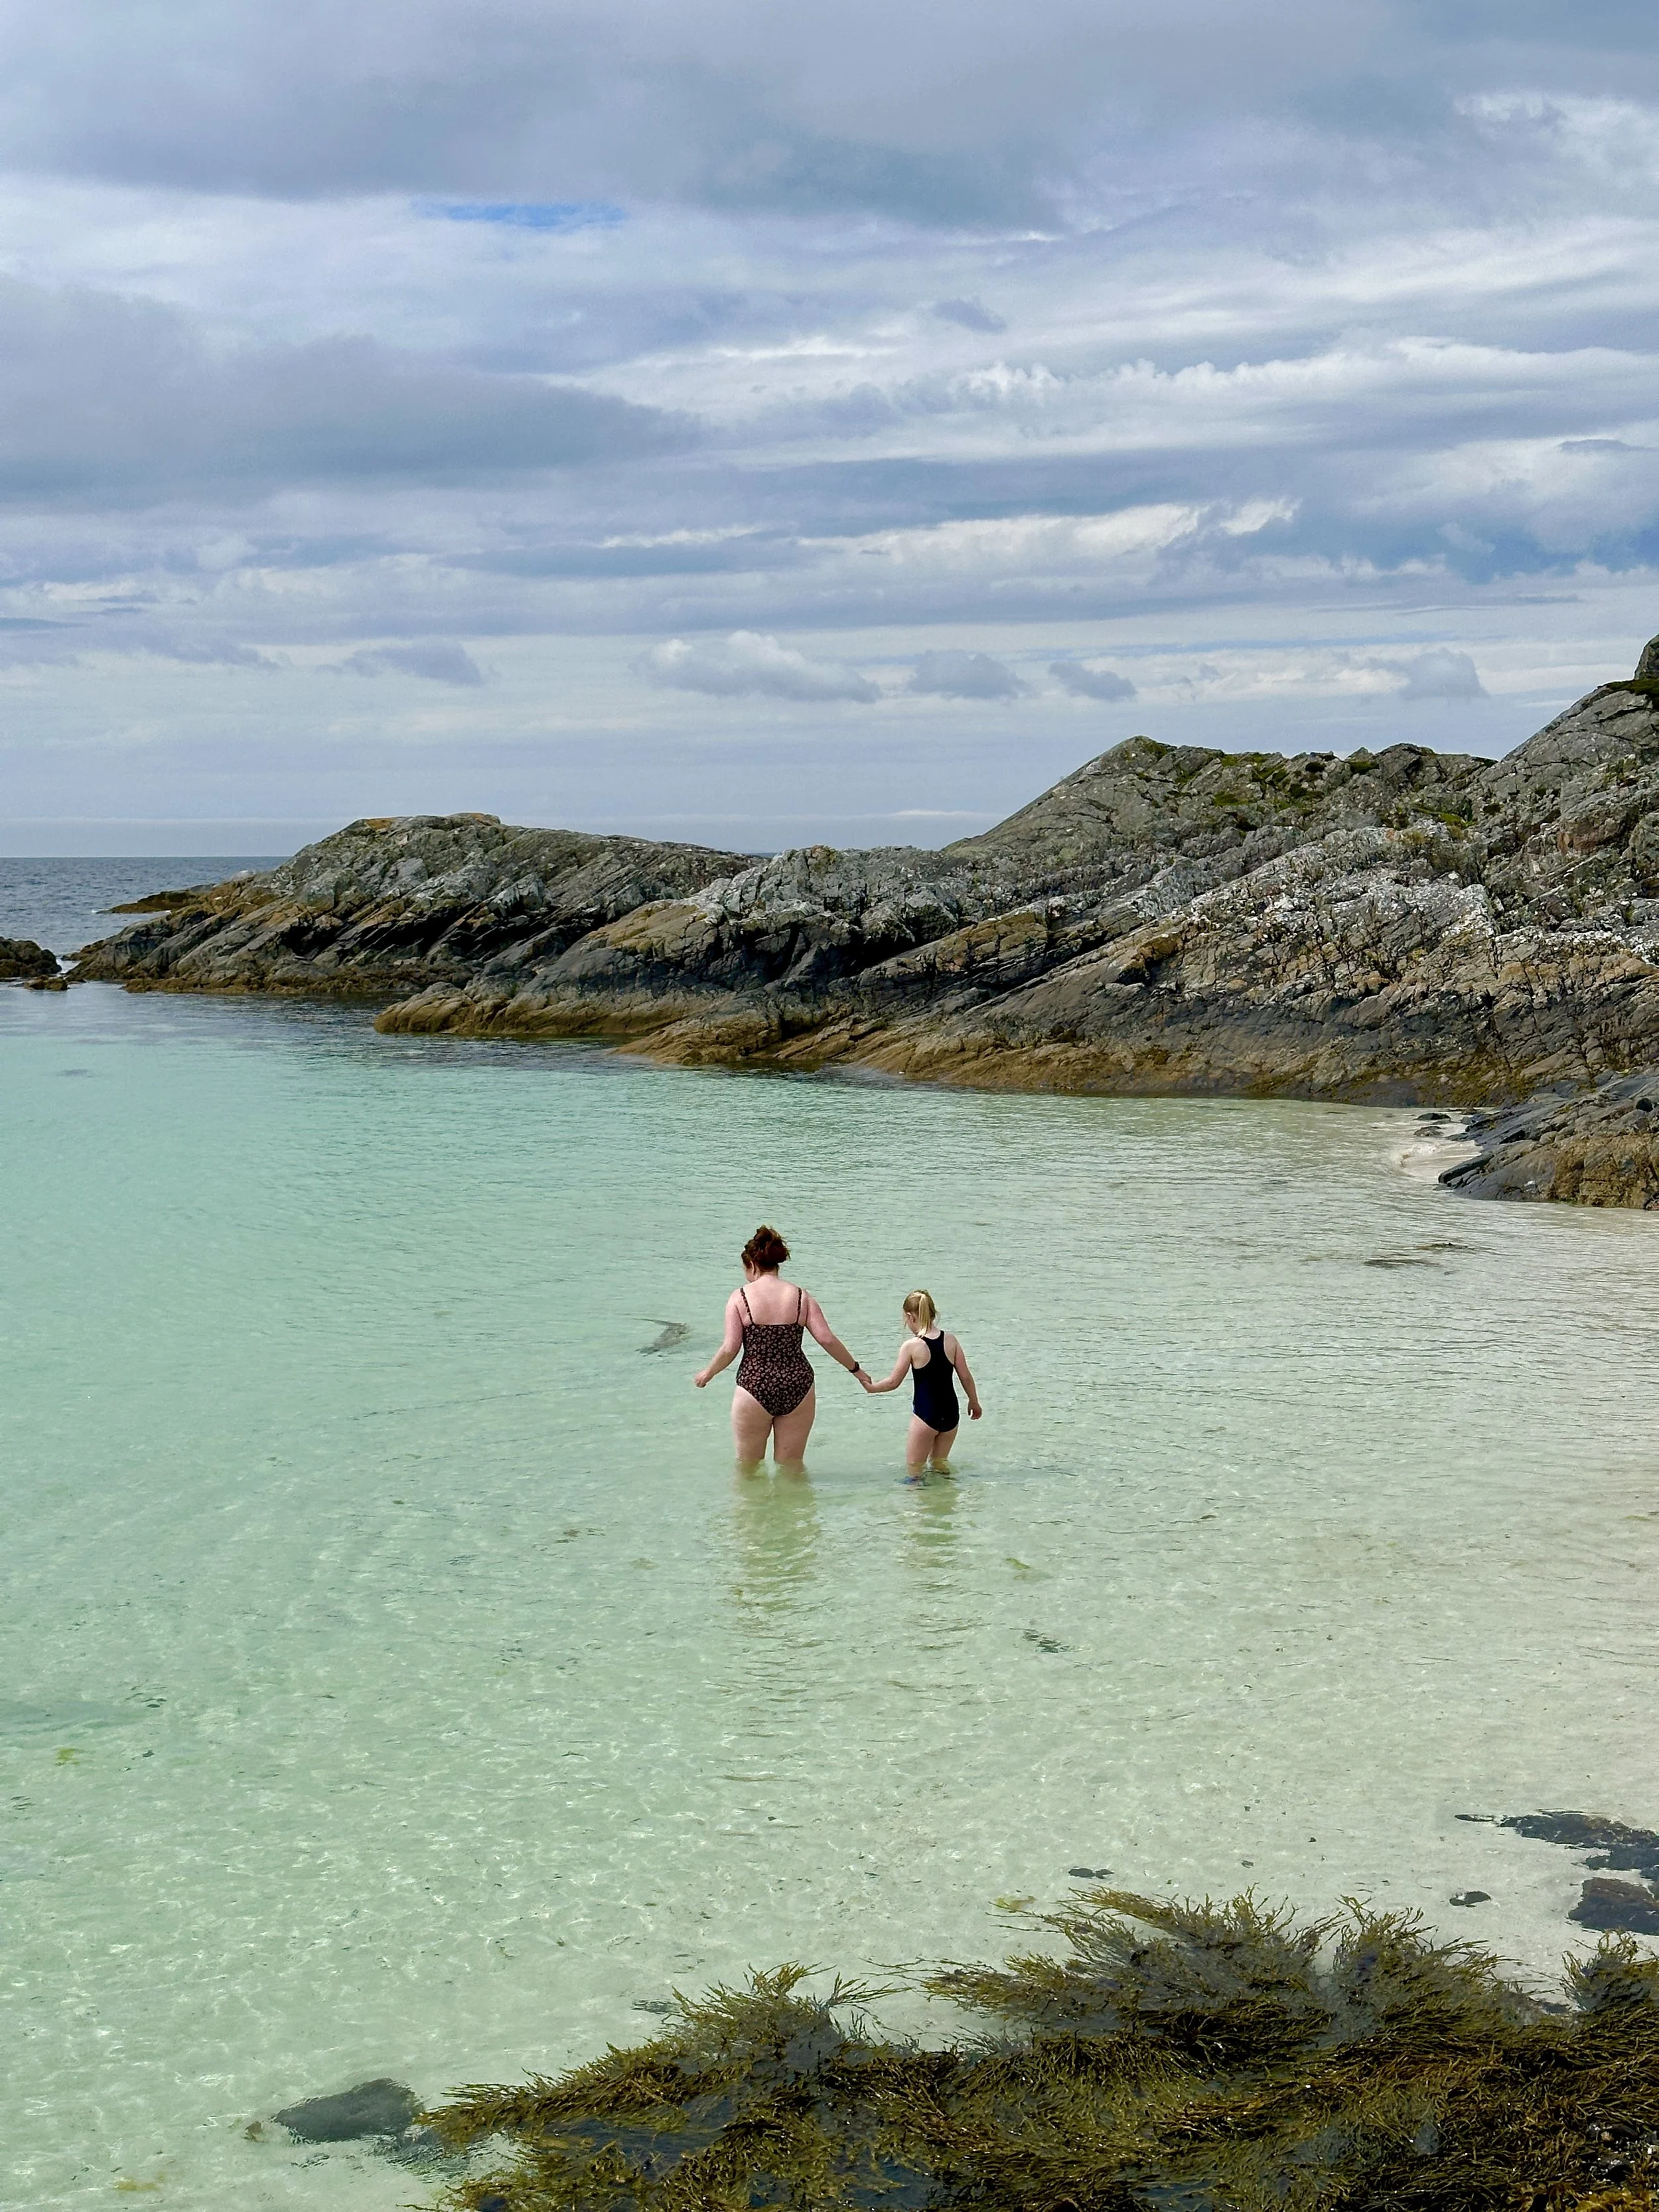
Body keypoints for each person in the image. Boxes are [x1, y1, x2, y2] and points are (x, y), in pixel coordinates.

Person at [694, 1226, 867, 1469]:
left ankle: (756, 1509)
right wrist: (857, 1371)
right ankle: (795, 1508)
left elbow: (730, 1348)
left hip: (755, 1384)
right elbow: (827, 1339)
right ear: (777, 1264)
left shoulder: (739, 1297)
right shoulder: (801, 1297)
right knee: (792, 1467)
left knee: (748, 1468)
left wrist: (707, 1373)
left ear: (752, 1265)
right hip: (798, 1384)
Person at [864, 1291, 982, 1475]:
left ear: (910, 1317)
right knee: (939, 1466)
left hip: (926, 1415)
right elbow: (965, 1376)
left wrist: (871, 1387)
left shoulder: (912, 1346)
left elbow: (894, 1382)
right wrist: (974, 1401)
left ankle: (919, 1502)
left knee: (914, 1471)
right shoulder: (951, 1340)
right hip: (951, 1415)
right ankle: (946, 1500)